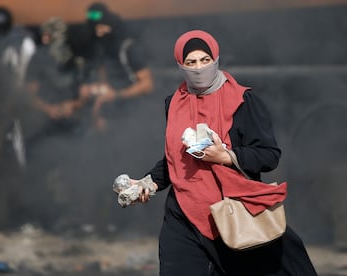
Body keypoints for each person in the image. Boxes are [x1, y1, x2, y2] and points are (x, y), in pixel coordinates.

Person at [124, 30, 317, 275]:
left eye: (205, 60)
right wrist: (148, 184)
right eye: (191, 63)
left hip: (233, 212)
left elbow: (269, 155)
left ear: (216, 59)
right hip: (183, 214)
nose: (198, 68)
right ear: (180, 65)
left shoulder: (244, 100)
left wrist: (225, 156)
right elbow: (175, 158)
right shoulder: (173, 103)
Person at [77, 2, 154, 131]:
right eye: (96, 29)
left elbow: (148, 85)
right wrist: (93, 91)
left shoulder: (128, 48)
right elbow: (106, 85)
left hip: (139, 116)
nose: (100, 32)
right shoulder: (102, 52)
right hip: (116, 118)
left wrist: (117, 94)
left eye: (103, 27)